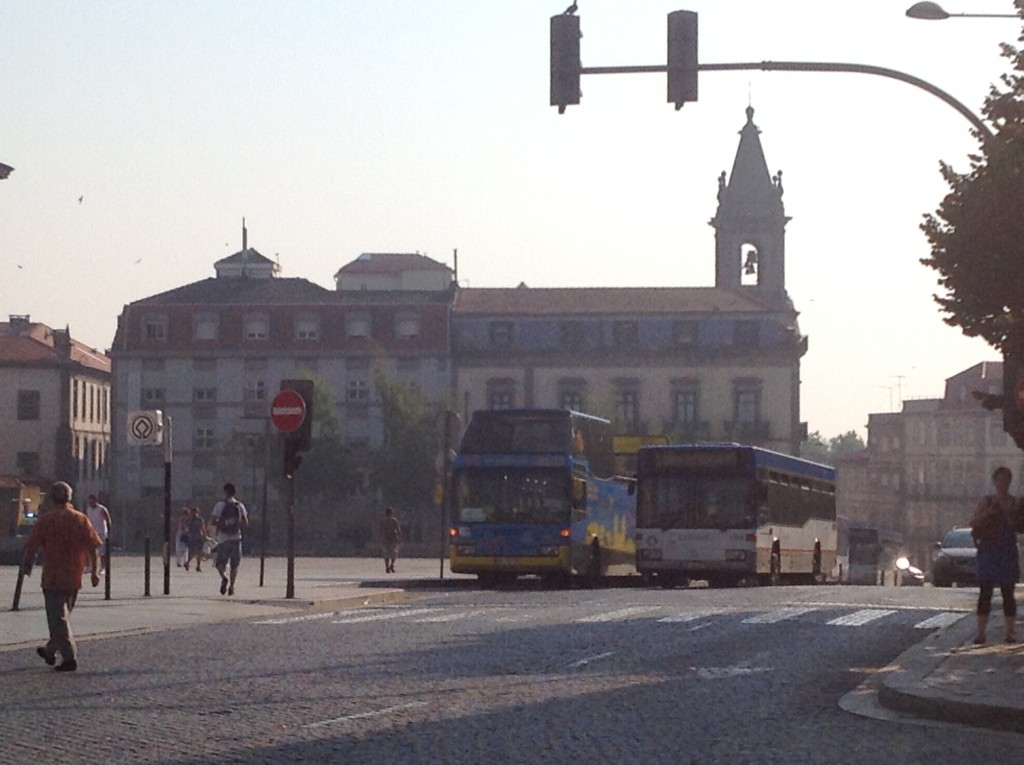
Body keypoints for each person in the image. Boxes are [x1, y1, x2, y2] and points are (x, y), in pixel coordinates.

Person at [20, 481, 101, 673]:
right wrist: (95, 573)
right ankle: (49, 651)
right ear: (69, 498)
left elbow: (31, 547)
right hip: (74, 576)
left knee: (57, 620)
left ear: (51, 498)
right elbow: (93, 547)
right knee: (62, 619)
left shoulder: (46, 520)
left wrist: (26, 567)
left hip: (53, 577)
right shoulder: (81, 519)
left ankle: (69, 658)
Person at [970, 465, 1020, 644]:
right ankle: (981, 633)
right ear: (995, 482)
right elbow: (973, 522)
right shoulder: (987, 501)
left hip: (1007, 551)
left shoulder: (1015, 503)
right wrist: (989, 513)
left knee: (1008, 593)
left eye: (1006, 481)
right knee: (985, 592)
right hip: (989, 551)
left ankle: (1009, 633)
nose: (1003, 484)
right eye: (1000, 480)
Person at [209, 483, 248, 596]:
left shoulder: (220, 505)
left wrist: (221, 523)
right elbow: (246, 523)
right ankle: (232, 587)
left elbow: (212, 521)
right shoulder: (239, 505)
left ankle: (224, 577)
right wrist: (236, 523)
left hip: (222, 538)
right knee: (235, 564)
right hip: (236, 537)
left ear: (225, 492)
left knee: (219, 563)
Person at [84, 494, 112, 574]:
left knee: (102, 552)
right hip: (92, 533)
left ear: (95, 501)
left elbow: (108, 520)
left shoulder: (102, 509)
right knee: (89, 550)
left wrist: (108, 533)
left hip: (101, 533)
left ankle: (103, 568)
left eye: (92, 500)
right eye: (89, 500)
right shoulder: (88, 509)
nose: (90, 502)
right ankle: (89, 566)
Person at [184, 506, 208, 572]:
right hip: (196, 537)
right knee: (196, 552)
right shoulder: (198, 520)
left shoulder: (190, 520)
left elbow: (186, 528)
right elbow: (203, 528)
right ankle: (191, 563)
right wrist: (205, 536)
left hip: (193, 537)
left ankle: (196, 565)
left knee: (196, 552)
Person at [380, 506, 402, 574]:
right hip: (393, 538)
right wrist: (400, 538)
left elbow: (381, 531)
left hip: (386, 539)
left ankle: (387, 567)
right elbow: (398, 530)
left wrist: (381, 538)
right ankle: (391, 565)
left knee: (386, 554)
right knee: (394, 553)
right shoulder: (394, 521)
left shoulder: (383, 521)